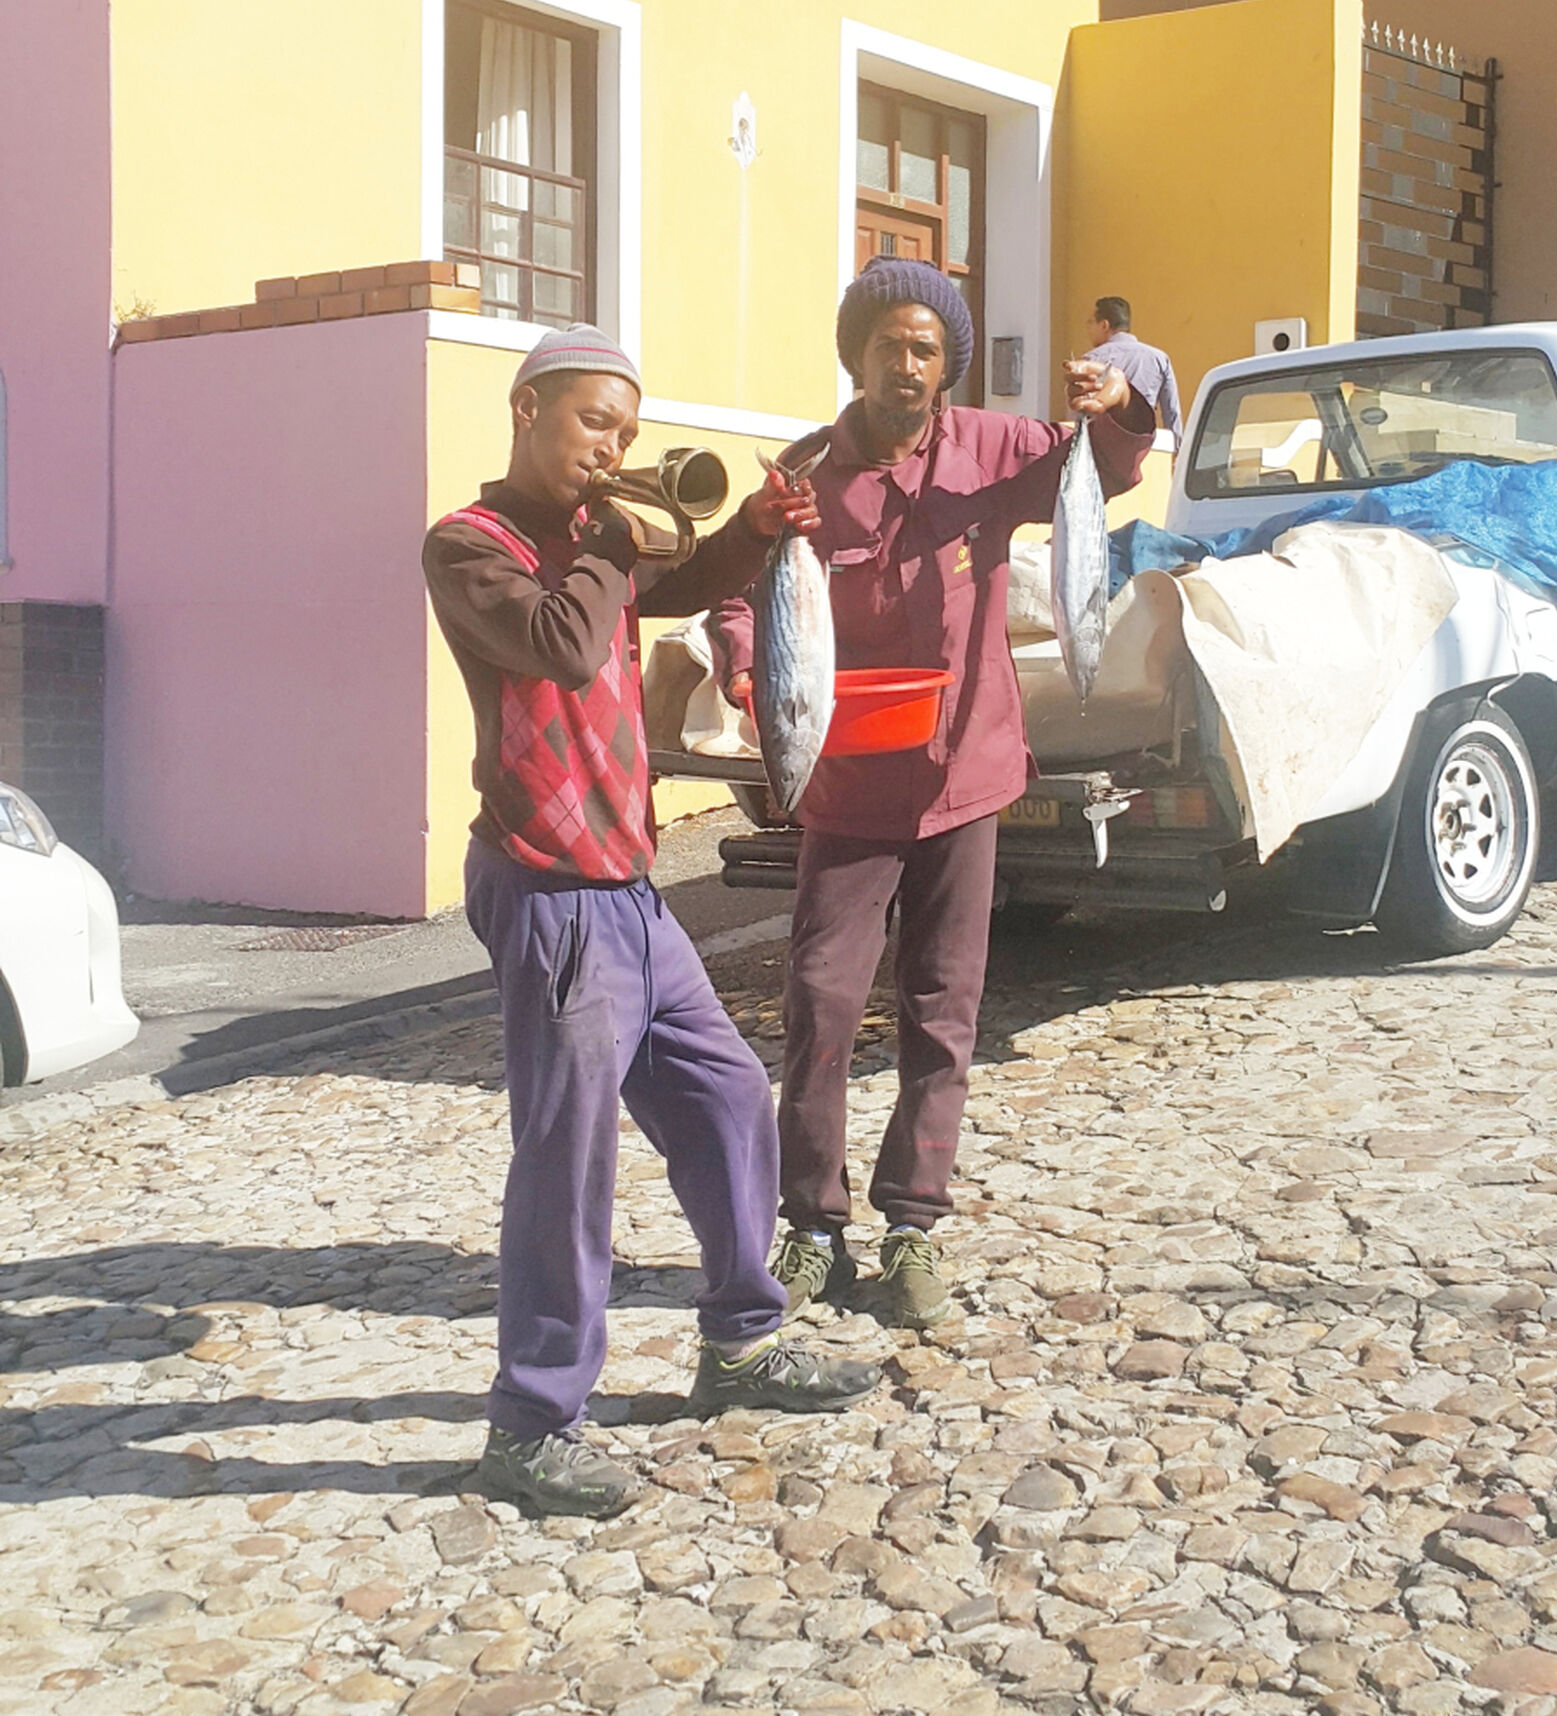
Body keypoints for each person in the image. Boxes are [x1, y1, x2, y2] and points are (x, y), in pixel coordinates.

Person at [423, 323, 881, 1520]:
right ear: (525, 411)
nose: (612, 446)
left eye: (624, 429)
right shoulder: (468, 545)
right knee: (567, 1159)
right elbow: (564, 646)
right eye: (593, 422)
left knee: (725, 1097)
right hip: (549, 890)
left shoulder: (594, 541)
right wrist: (614, 543)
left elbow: (676, 584)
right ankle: (532, 1423)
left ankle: (739, 1342)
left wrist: (755, 531)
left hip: (627, 889)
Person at [709, 260, 1154, 1327]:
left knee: (941, 1008)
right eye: (886, 346)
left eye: (924, 349)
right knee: (818, 1000)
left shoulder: (995, 449)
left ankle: (913, 1222)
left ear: (945, 363)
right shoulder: (805, 475)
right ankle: (812, 1224)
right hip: (848, 783)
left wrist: (1117, 403)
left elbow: (1107, 470)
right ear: (855, 357)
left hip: (965, 775)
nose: (904, 366)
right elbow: (739, 588)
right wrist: (745, 665)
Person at [1086, 295, 1181, 444]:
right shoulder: (1159, 358)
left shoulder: (1091, 361)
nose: (1088, 329)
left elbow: (1080, 413)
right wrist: (1177, 449)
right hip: (1144, 446)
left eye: (1091, 322)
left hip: (1101, 447)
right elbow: (1172, 412)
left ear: (1104, 325)